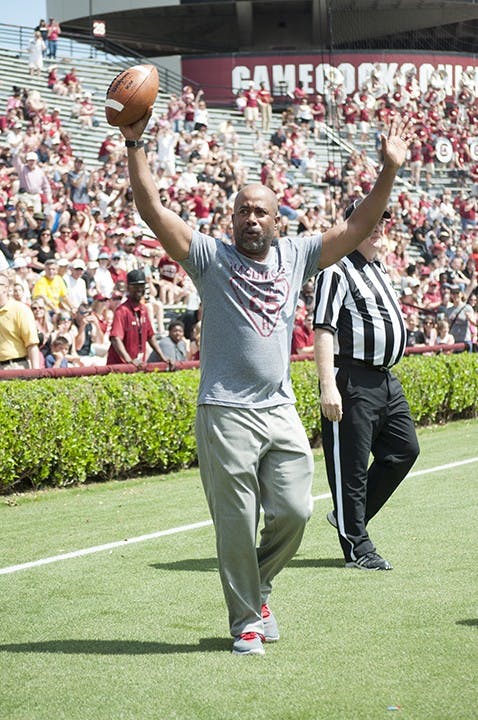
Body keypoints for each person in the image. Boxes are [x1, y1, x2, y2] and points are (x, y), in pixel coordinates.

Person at [119, 107, 412, 654]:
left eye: (261, 212)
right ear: (231, 220)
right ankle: (246, 621)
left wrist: (388, 170)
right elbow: (152, 209)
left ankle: (258, 586)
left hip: (278, 409)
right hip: (225, 409)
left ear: (278, 221)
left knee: (297, 511)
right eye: (243, 212)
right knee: (237, 521)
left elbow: (355, 227)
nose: (251, 219)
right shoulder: (209, 257)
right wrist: (135, 144)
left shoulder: (297, 255)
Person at [313, 198, 420, 572]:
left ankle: (347, 517)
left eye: (382, 223)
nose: (379, 229)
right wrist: (329, 385)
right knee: (351, 468)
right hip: (352, 378)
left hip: (385, 379)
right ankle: (358, 547)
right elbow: (324, 329)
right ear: (353, 226)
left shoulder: (377, 269)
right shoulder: (336, 268)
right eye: (371, 222)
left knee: (405, 450)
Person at [106, 269, 169, 367]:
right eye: (134, 286)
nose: (139, 289)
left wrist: (163, 357)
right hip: (120, 366)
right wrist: (129, 361)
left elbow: (150, 336)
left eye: (141, 286)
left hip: (138, 365)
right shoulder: (122, 311)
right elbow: (116, 339)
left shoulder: (143, 309)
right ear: (128, 288)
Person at [0, 273, 40, 370]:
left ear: (6, 288)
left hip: (14, 366)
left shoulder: (20, 309)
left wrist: (36, 374)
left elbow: (32, 344)